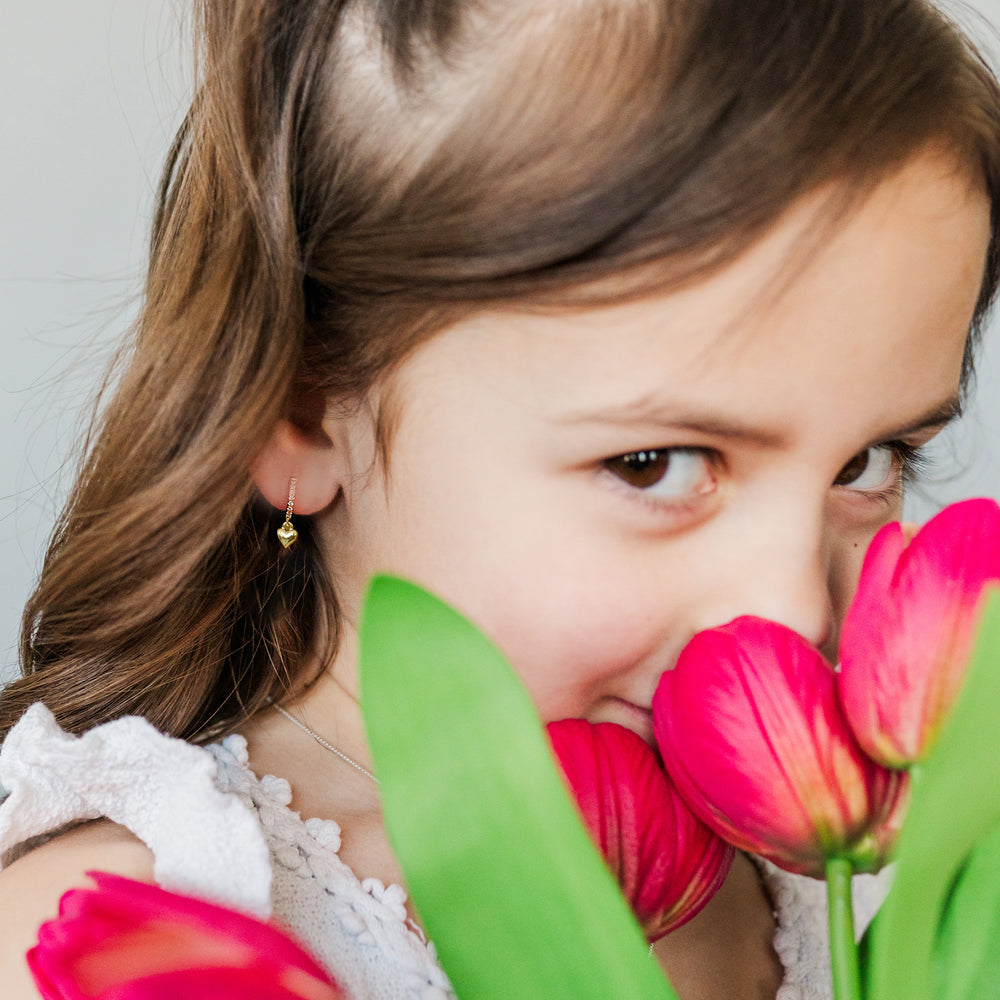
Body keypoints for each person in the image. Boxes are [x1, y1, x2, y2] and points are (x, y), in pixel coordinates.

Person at [1, 0, 999, 997]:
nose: (797, 609)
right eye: (653, 463)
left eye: (869, 460)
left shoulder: (904, 873)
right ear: (300, 415)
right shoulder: (156, 927)